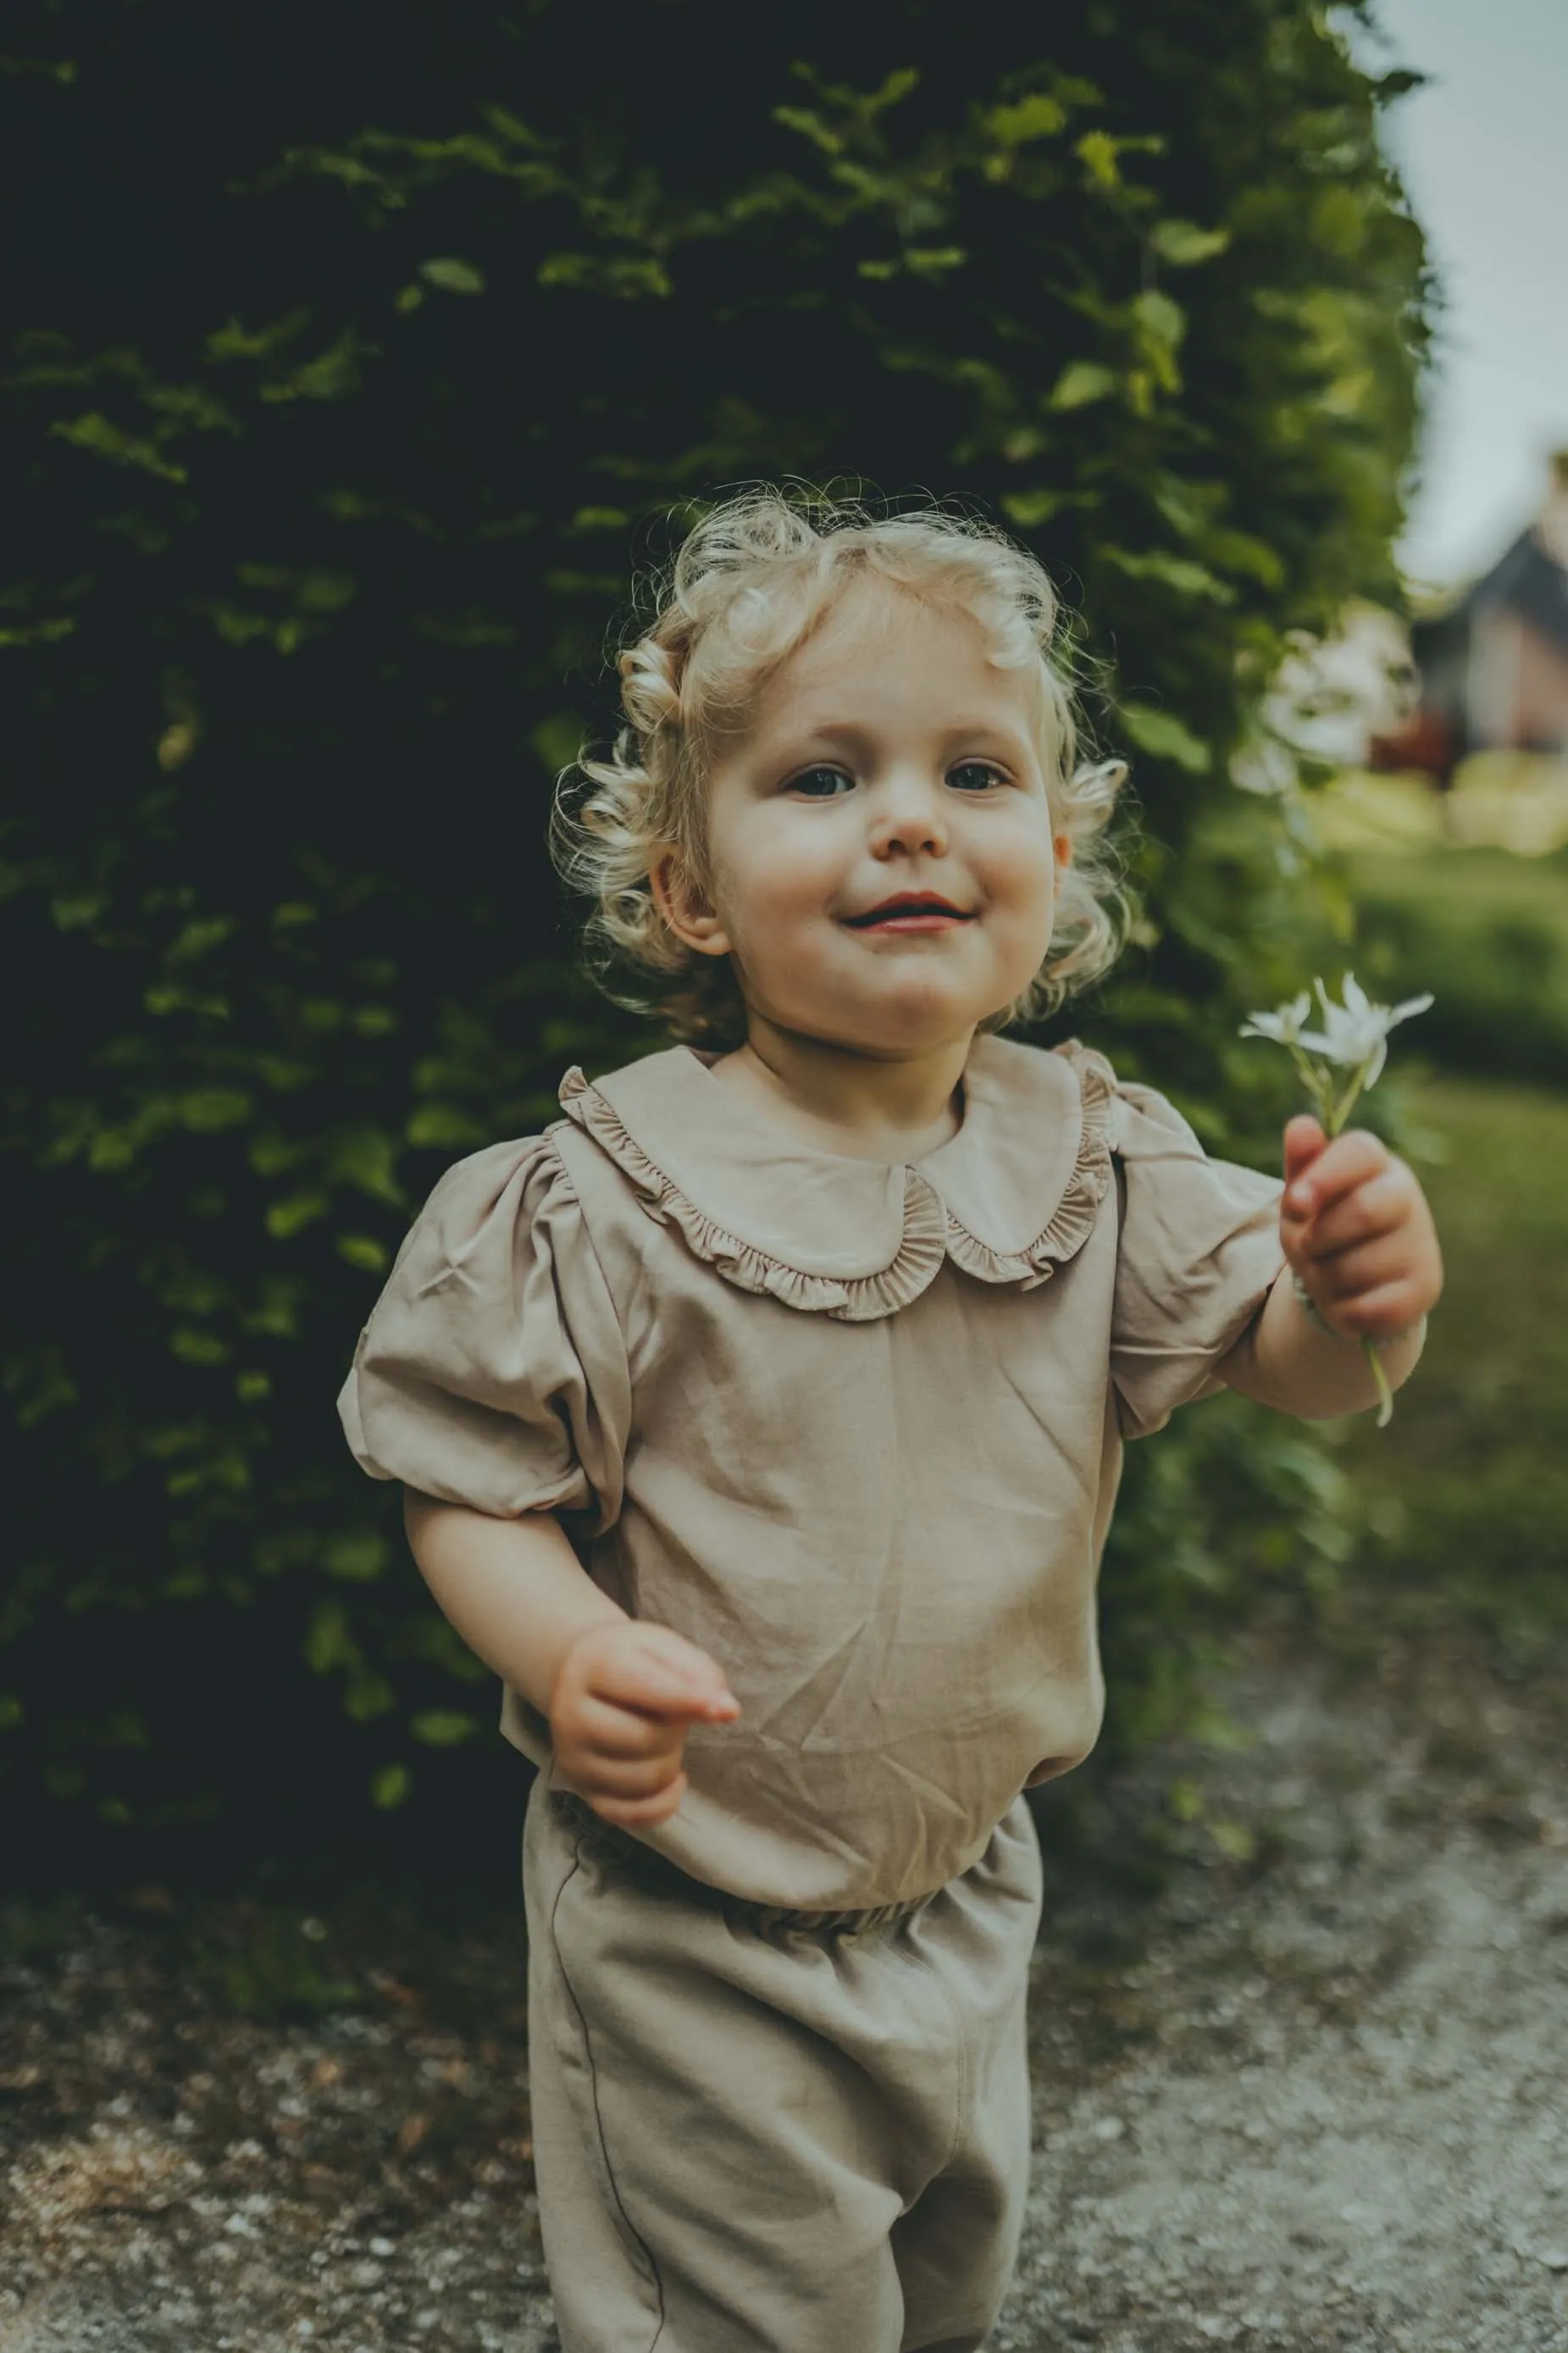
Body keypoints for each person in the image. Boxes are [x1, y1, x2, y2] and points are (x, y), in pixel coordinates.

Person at [337, 492, 1443, 2352]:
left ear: (1059, 846)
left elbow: (1283, 1357)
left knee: (937, 2298)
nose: (911, 817)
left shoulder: (1087, 1155)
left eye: (975, 771)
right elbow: (465, 1475)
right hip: (696, 1914)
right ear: (689, 884)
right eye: (825, 776)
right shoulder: (603, 1194)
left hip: (962, 1887)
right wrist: (571, 1642)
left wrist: (1346, 1291)